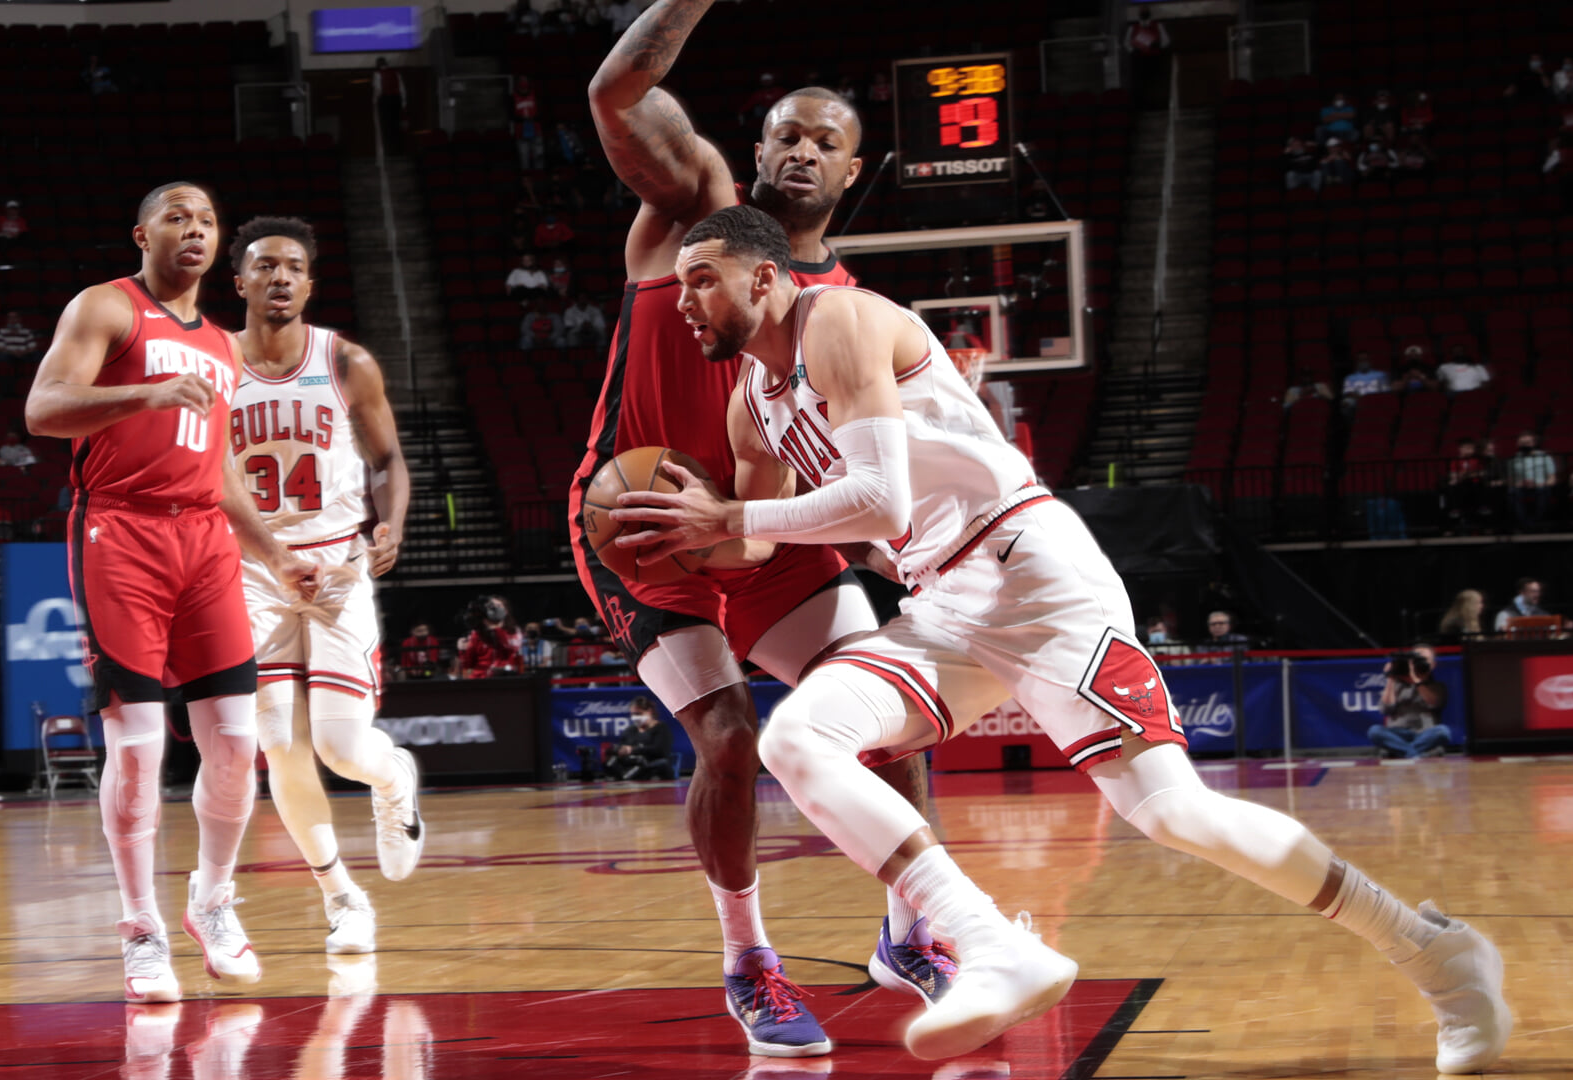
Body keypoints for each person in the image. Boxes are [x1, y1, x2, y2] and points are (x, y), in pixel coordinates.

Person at [612, 205, 1510, 1071]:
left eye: (703, 280)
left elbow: (877, 502)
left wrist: (730, 512)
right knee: (801, 738)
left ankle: (1435, 952)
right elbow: (762, 536)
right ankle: (988, 943)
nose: (684, 301)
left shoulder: (838, 319)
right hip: (944, 601)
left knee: (1171, 813)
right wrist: (675, 530)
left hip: (1031, 572)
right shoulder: (749, 405)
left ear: (764, 276)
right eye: (679, 284)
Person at [577, 1, 947, 1056]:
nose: (800, 152)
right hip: (646, 519)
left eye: (823, 141)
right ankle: (748, 959)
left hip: (767, 525)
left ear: (852, 171)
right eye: (786, 132)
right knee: (731, 733)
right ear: (757, 150)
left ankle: (909, 934)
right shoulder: (695, 209)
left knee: (898, 720)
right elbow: (614, 96)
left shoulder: (848, 307)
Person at [25, 181, 320, 1003]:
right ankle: (139, 928)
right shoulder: (106, 308)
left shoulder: (224, 346)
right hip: (120, 532)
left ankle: (212, 902)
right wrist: (144, 393)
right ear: (142, 234)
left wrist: (273, 552)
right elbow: (43, 408)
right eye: (176, 217)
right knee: (139, 745)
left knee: (235, 742)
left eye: (206, 220)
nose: (193, 229)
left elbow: (220, 468)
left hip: (206, 544)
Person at [225, 214, 423, 957]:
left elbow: (387, 460)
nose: (279, 277)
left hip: (336, 565)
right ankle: (341, 895)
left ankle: (393, 779)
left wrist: (392, 523)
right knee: (279, 742)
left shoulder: (346, 362)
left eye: (293, 267)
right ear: (239, 280)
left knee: (341, 748)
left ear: (309, 282)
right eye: (265, 265)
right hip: (252, 569)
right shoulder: (215, 364)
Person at [1370, 644, 1452, 759]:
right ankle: (1416, 754)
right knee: (1374, 731)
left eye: (1423, 660)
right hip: (1397, 733)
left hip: (1424, 733)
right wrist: (1391, 678)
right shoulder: (1397, 685)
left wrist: (1417, 681)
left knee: (1443, 732)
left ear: (1433, 665)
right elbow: (1385, 709)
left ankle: (1400, 752)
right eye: (1416, 660)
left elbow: (1434, 703)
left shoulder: (1438, 686)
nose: (1418, 664)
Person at [607, 697, 676, 780]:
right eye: (633, 714)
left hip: (650, 765)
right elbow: (622, 745)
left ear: (649, 711)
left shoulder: (661, 729)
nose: (635, 717)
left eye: (638, 714)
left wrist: (633, 750)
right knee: (611, 762)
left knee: (638, 768)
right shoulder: (630, 730)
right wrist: (621, 750)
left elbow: (661, 751)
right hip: (630, 763)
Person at [1507, 431, 1556, 527]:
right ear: (1518, 444)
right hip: (1521, 487)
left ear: (1534, 443)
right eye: (1522, 443)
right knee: (1512, 492)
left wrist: (1540, 484)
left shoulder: (1545, 457)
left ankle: (1536, 522)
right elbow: (1510, 480)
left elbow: (1552, 479)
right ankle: (1524, 523)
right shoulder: (1513, 459)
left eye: (1528, 442)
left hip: (1540, 486)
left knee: (1543, 492)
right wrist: (1519, 483)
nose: (1525, 445)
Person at [372, 58, 406, 146]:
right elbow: (402, 88)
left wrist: (375, 101)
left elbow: (378, 89)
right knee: (396, 122)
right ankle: (397, 143)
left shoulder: (378, 74)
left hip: (385, 99)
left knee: (386, 124)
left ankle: (389, 143)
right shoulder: (396, 73)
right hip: (396, 99)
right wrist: (403, 102)